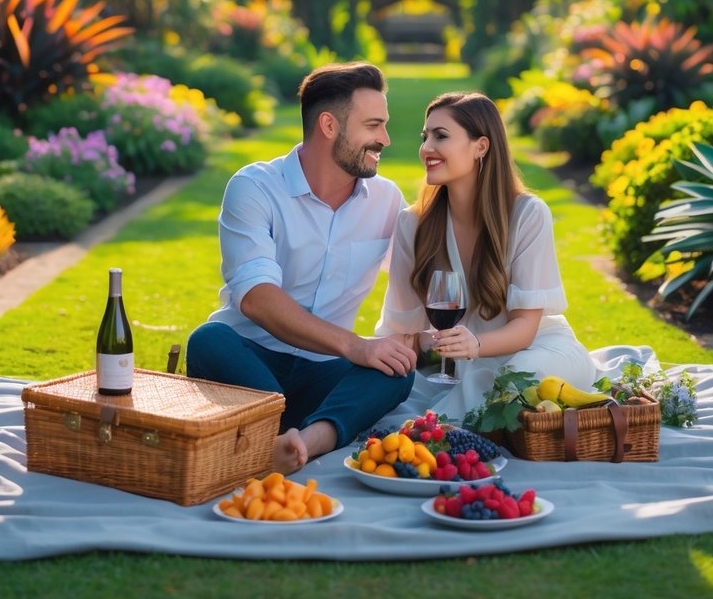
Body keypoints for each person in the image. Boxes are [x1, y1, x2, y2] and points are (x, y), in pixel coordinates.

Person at [186, 62, 416, 474]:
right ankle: (285, 426)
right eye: (373, 125)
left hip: (322, 372)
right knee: (208, 339)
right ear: (329, 125)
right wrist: (355, 345)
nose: (385, 139)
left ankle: (301, 440)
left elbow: (424, 274)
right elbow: (256, 299)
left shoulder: (386, 199)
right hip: (249, 364)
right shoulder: (255, 187)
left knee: (395, 369)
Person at [375, 91, 599, 420]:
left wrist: (475, 346)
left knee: (514, 377)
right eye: (426, 137)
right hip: (464, 366)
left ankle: (438, 434)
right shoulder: (413, 223)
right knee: (388, 387)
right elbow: (403, 331)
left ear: (481, 146)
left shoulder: (526, 214)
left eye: (441, 136)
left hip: (536, 350)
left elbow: (525, 327)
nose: (426, 148)